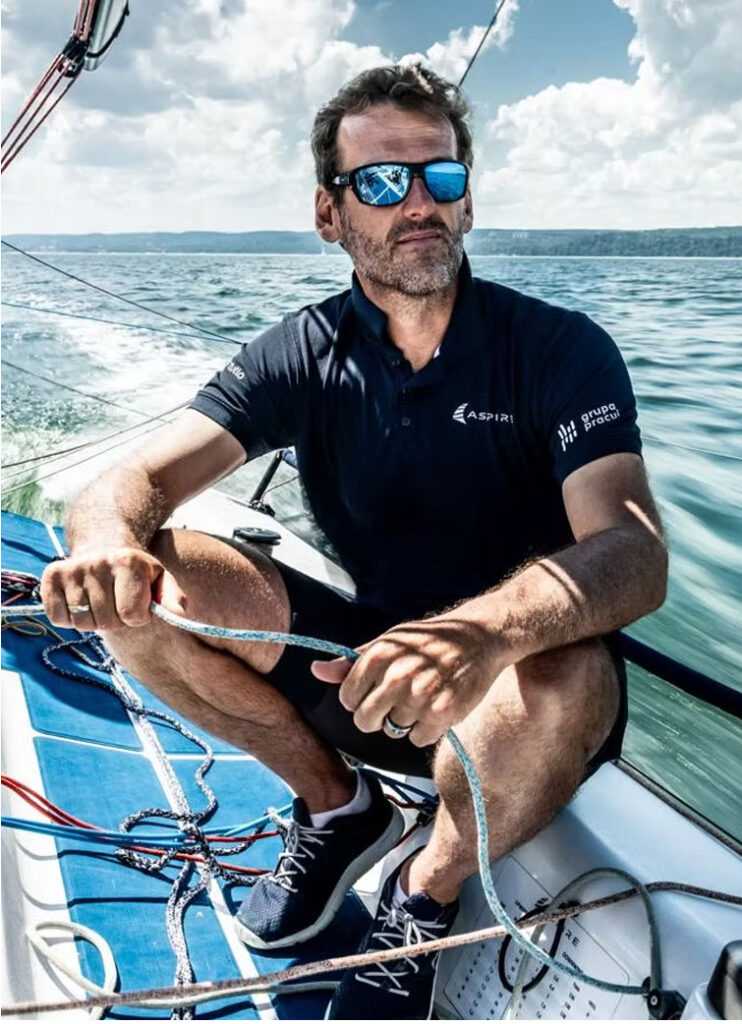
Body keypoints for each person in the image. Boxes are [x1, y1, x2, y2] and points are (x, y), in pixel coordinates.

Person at [40, 64, 668, 1020]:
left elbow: (631, 550)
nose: (417, 203)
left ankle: (424, 892)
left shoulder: (559, 349)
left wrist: (482, 634)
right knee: (143, 584)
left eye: (440, 177)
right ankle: (338, 808)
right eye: (379, 181)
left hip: (520, 693)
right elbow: (131, 482)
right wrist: (102, 545)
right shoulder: (300, 354)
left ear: (467, 201)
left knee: (567, 675)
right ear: (329, 214)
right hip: (361, 674)